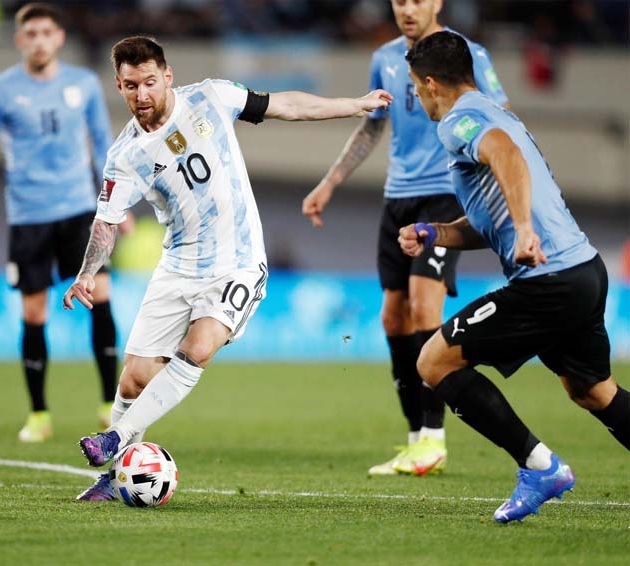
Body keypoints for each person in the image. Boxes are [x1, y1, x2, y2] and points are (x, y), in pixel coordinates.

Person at [63, 35, 393, 501]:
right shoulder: (125, 158)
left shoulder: (211, 97)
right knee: (135, 377)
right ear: (118, 85)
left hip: (238, 260)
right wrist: (87, 271)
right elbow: (106, 222)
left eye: (150, 82)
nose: (142, 95)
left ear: (168, 76)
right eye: (131, 86)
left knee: (199, 346)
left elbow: (287, 105)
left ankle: (115, 440)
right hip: (178, 264)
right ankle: (112, 479)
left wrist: (353, 103)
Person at [399, 30, 629, 523]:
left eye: (417, 89)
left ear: (433, 84)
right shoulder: (495, 111)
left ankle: (539, 466)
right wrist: (435, 231)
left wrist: (525, 230)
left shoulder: (460, 122)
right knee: (592, 391)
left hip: (548, 280)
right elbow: (491, 214)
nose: (418, 99)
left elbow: (504, 154)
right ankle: (541, 464)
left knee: (433, 362)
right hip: (583, 272)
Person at [301, 0, 508, 476]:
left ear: (437, 2)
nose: (407, 9)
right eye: (399, 1)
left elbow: (501, 115)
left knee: (422, 306)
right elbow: (371, 128)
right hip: (397, 198)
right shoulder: (386, 58)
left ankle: (434, 438)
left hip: (445, 196)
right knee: (393, 318)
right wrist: (329, 183)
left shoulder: (467, 53)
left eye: (417, 0)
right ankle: (416, 435)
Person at [0, 3, 122, 442]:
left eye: (45, 33)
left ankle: (110, 404)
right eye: (29, 33)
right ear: (20, 40)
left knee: (102, 296)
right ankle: (39, 413)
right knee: (34, 313)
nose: (38, 40)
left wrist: (117, 205)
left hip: (79, 212)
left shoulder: (85, 83)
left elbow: (104, 144)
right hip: (29, 216)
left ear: (59, 37)